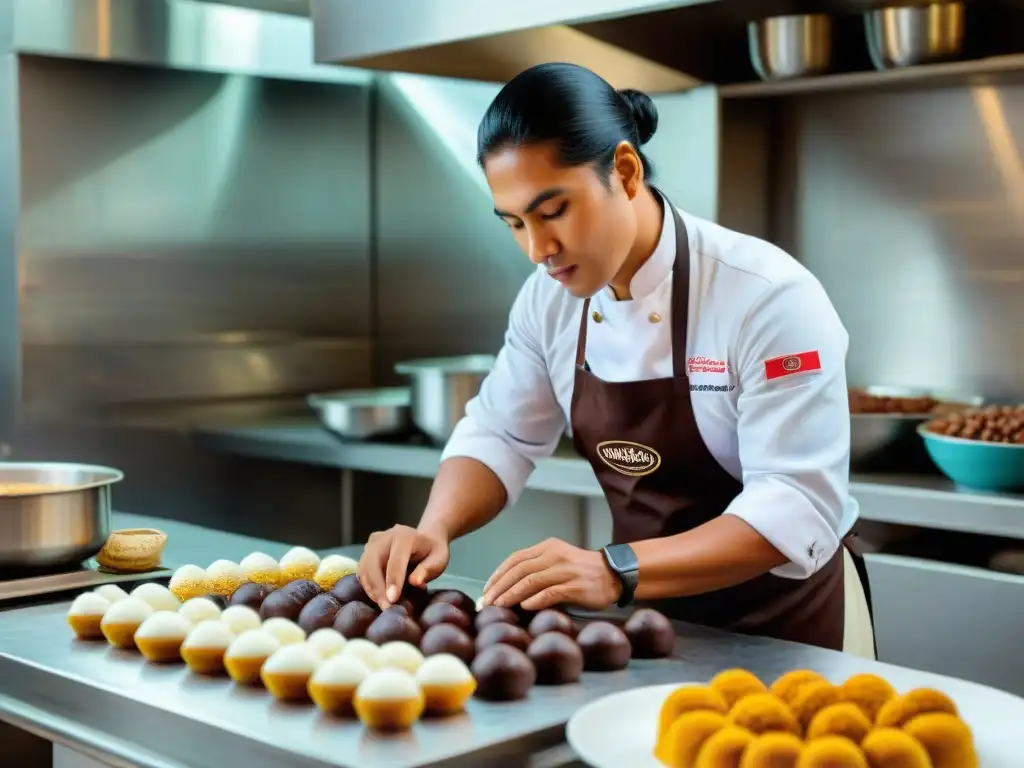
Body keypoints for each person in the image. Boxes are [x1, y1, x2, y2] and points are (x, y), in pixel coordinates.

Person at [358, 62, 874, 655]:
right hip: (650, 632)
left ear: (625, 172)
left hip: (791, 635)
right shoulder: (550, 300)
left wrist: (614, 570)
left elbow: (795, 506)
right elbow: (500, 433)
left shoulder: (766, 297)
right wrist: (433, 528)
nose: (538, 250)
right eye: (515, 223)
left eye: (554, 212)